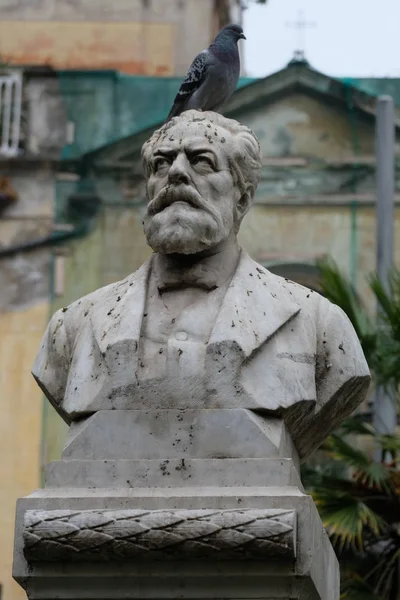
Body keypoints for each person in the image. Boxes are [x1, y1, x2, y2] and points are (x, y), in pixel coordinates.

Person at [32, 110, 370, 460]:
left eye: (202, 162)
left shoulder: (320, 325)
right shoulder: (71, 327)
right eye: (161, 164)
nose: (176, 172)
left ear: (243, 197)